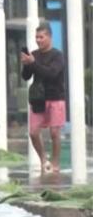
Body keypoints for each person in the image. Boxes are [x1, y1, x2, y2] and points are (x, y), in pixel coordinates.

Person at [21, 23, 65, 173]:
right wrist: (27, 64)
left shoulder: (57, 55)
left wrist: (34, 64)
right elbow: (26, 76)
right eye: (36, 37)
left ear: (49, 37)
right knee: (33, 132)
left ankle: (55, 163)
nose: (38, 40)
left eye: (41, 37)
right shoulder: (34, 55)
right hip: (38, 99)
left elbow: (51, 74)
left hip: (55, 97)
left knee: (54, 132)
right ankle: (43, 160)